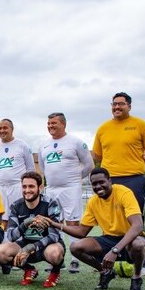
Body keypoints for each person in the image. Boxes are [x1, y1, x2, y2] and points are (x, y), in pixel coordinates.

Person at [42, 167, 145, 290]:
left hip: (130, 239)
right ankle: (105, 272)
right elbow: (82, 232)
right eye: (94, 184)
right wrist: (54, 224)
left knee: (138, 245)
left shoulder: (124, 193)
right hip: (109, 238)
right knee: (76, 247)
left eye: (101, 182)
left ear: (110, 180)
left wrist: (115, 250)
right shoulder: (93, 201)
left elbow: (137, 226)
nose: (98, 186)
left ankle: (136, 278)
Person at [93, 92, 145, 276]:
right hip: (110, 181)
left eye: (121, 104)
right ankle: (108, 257)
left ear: (129, 106)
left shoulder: (140, 125)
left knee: (137, 221)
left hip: (134, 179)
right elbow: (98, 155)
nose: (117, 107)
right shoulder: (103, 128)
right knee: (110, 219)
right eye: (114, 104)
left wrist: (138, 167)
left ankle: (143, 262)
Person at [38, 113, 94, 273]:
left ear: (63, 124)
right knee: (53, 223)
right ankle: (58, 258)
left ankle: (75, 260)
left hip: (71, 189)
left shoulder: (75, 141)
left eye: (54, 123)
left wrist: (75, 179)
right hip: (52, 190)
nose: (50, 126)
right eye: (48, 123)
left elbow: (89, 165)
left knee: (72, 223)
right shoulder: (43, 145)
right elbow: (43, 169)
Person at [0, 172, 65, 287]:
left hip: (47, 245)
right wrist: (27, 223)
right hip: (26, 242)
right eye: (24, 186)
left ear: (40, 187)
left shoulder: (50, 203)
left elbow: (54, 236)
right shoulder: (16, 206)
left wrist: (31, 247)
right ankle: (28, 269)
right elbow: (11, 236)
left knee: (54, 254)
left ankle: (55, 272)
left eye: (31, 186)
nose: (27, 190)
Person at [0, 118, 35, 222]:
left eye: (5, 128)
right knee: (1, 219)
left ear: (12, 129)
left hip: (17, 187)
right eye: (0, 128)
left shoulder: (22, 145)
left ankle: (19, 238)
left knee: (19, 217)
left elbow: (31, 168)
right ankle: (5, 238)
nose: (2, 131)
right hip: (0, 188)